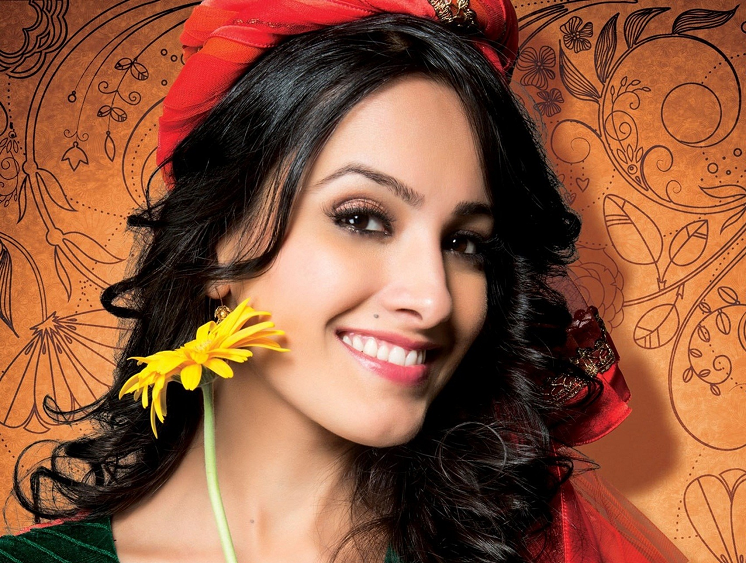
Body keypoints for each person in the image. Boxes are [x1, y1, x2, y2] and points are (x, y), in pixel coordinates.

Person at [0, 1, 687, 562]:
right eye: (362, 219)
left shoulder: (532, 548)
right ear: (213, 244)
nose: (434, 298)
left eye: (463, 243)